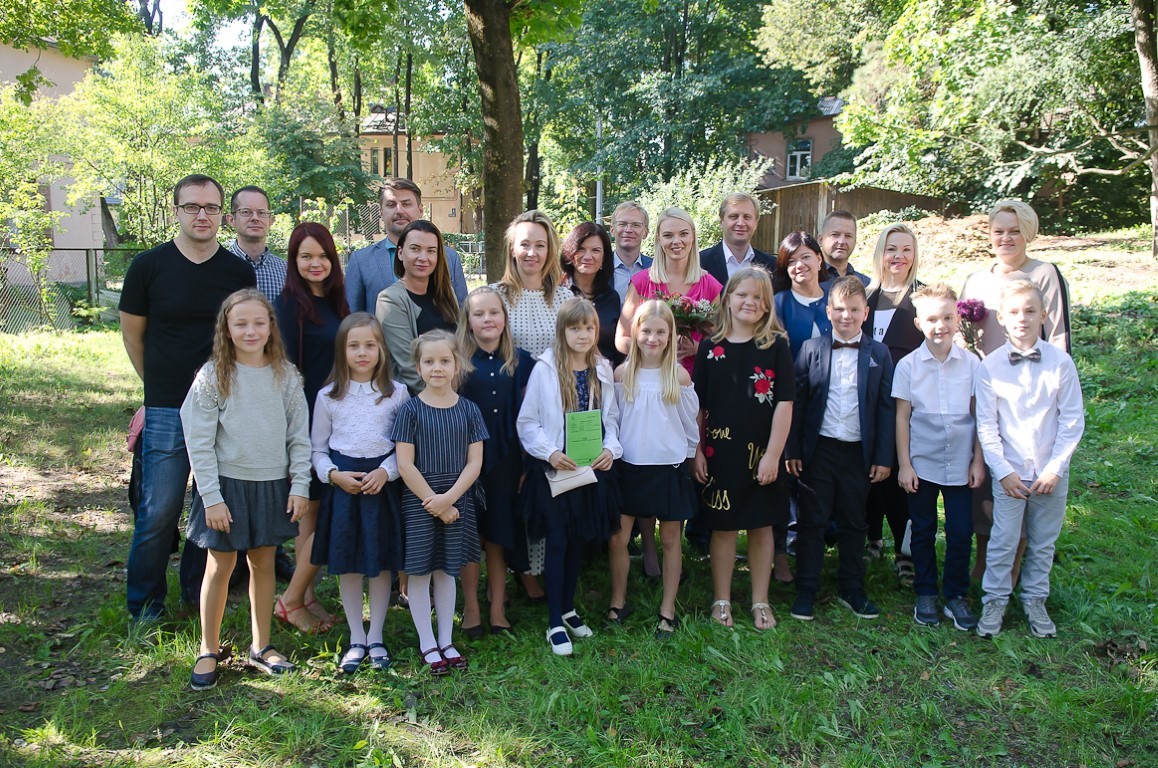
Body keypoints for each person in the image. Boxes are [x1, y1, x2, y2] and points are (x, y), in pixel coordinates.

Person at [119, 173, 256, 621]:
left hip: (224, 407)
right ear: (176, 210)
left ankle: (198, 595)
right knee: (159, 509)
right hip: (167, 407)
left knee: (211, 507)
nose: (202, 215)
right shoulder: (148, 266)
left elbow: (244, 334)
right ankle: (145, 607)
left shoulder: (238, 272)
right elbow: (133, 336)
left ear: (223, 215)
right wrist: (156, 385)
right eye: (192, 206)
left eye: (211, 207)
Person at [182, 289, 310, 690]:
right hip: (226, 486)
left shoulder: (286, 376)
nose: (250, 331)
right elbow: (198, 441)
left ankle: (262, 645)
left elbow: (299, 437)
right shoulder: (213, 376)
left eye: (259, 322)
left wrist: (300, 484)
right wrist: (212, 498)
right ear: (227, 328)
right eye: (241, 324)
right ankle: (208, 647)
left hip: (271, 484)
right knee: (220, 565)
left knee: (263, 563)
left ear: (271, 326)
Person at [959, 200, 1072, 582]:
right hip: (985, 390)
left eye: (1014, 231)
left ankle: (1017, 562)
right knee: (983, 476)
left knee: (1023, 475)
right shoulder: (977, 279)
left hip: (1031, 396)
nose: (1005, 238)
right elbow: (962, 336)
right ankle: (983, 557)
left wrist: (1054, 394)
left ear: (1028, 233)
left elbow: (1058, 335)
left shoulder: (1044, 273)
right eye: (998, 231)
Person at [974, 280, 1084, 639]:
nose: (1022, 318)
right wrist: (1002, 471)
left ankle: (1035, 599)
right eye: (1014, 312)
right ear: (1002, 318)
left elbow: (1072, 420)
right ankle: (995, 600)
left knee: (1042, 541)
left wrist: (1055, 468)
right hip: (1010, 472)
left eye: (1030, 311)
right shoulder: (990, 367)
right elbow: (987, 425)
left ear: (1044, 316)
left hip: (1050, 471)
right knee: (1003, 540)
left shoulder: (1061, 363)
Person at [786, 276, 895, 621]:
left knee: (854, 521)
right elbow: (798, 402)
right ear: (829, 311)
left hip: (858, 452)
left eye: (854, 310)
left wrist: (883, 456)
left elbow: (886, 408)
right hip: (819, 449)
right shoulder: (811, 349)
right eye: (840, 309)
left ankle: (852, 587)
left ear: (865, 314)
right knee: (812, 520)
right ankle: (806, 587)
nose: (847, 316)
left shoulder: (879, 353)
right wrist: (793, 449)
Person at [517, 298, 622, 656]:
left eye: (589, 328)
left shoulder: (602, 369)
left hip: (590, 469)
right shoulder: (545, 369)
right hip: (555, 471)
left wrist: (610, 449)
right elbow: (527, 422)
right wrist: (550, 452)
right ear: (562, 331)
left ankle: (568, 608)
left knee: (578, 540)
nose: (582, 335)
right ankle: (553, 622)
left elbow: (612, 419)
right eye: (575, 328)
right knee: (559, 540)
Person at [692, 268, 794, 631]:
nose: (749, 302)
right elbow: (698, 406)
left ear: (767, 305)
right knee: (723, 527)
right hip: (720, 454)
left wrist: (773, 455)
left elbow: (784, 403)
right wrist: (697, 450)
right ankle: (721, 598)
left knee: (761, 526)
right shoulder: (710, 348)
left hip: (762, 455)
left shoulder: (775, 346)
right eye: (742, 295)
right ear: (728, 299)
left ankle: (760, 599)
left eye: (757, 297)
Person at [310, 313, 409, 672]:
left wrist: (387, 471)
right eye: (354, 346)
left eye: (370, 345)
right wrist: (333, 475)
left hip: (381, 486)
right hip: (344, 488)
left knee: (380, 564)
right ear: (342, 350)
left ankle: (376, 636)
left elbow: (405, 446)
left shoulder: (397, 393)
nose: (362, 352)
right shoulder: (328, 396)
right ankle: (356, 637)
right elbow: (317, 449)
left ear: (382, 349)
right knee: (349, 564)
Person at [393, 330, 487, 674]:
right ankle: (427, 643)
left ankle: (446, 639)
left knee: (448, 570)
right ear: (418, 367)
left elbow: (474, 463)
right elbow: (405, 464)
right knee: (420, 572)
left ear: (456, 365)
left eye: (445, 361)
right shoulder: (410, 411)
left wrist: (449, 500)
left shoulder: (470, 410)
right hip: (420, 501)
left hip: (457, 499)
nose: (437, 368)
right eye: (429, 361)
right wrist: (433, 501)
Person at [273, 222, 349, 634]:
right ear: (294, 260)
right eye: (305, 256)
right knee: (315, 516)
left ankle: (305, 596)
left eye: (322, 256)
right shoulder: (288, 306)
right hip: (306, 423)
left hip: (337, 419)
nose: (315, 263)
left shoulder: (337, 302)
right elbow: (282, 372)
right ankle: (291, 601)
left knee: (315, 518)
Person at [893, 283, 984, 630]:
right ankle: (926, 591)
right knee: (923, 530)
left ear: (957, 318)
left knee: (960, 531)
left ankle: (956, 593)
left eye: (947, 317)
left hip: (961, 463)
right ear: (919, 323)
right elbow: (902, 417)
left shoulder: (972, 364)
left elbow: (979, 415)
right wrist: (905, 464)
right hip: (923, 463)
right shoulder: (908, 366)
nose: (940, 325)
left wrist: (977, 460)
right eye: (931, 319)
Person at [609, 300, 699, 638]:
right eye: (646, 331)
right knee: (618, 537)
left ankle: (667, 609)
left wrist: (689, 456)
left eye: (660, 332)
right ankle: (618, 601)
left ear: (670, 335)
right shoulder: (622, 374)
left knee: (672, 538)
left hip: (668, 467)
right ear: (635, 332)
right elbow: (614, 420)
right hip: (630, 466)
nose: (653, 338)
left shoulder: (679, 376)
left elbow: (689, 424)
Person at [456, 287, 535, 636]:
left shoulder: (521, 361)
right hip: (465, 463)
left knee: (499, 534)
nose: (487, 319)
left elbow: (531, 417)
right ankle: (471, 607)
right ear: (468, 321)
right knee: (471, 535)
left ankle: (498, 606)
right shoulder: (457, 361)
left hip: (506, 462)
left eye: (494, 312)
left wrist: (526, 464)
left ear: (504, 318)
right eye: (479, 314)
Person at [862, 224, 925, 581]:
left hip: (906, 406)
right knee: (870, 474)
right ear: (880, 254)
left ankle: (906, 550)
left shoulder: (922, 297)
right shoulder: (866, 296)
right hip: (867, 403)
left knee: (900, 479)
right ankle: (872, 538)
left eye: (906, 249)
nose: (898, 256)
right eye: (891, 249)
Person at [615, 207, 723, 376]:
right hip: (649, 377)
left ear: (693, 236)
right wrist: (652, 349)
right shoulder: (641, 282)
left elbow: (721, 340)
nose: (676, 241)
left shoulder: (710, 285)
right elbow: (621, 339)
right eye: (668, 235)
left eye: (683, 234)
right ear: (658, 239)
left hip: (696, 378)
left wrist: (699, 348)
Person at [346, 178, 468, 312]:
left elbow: (463, 314)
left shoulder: (450, 258)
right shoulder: (361, 261)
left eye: (406, 204)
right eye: (391, 205)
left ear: (420, 210)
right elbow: (352, 318)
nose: (399, 211)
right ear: (381, 212)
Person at [376, 220, 460, 393]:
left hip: (454, 394)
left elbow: (460, 348)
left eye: (431, 251)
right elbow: (409, 366)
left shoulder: (447, 293)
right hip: (417, 399)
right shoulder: (389, 300)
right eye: (415, 249)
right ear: (400, 253)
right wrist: (442, 400)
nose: (423, 258)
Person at [562, 221, 624, 366]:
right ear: (570, 252)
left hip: (604, 375)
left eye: (595, 250)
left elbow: (616, 349)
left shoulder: (611, 297)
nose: (588, 256)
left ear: (604, 257)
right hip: (564, 373)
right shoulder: (558, 293)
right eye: (581, 249)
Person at [772, 231, 832, 358]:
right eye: (791, 261)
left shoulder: (835, 299)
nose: (799, 265)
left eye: (806, 257)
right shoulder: (778, 303)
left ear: (819, 259)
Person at [698, 192, 775, 287]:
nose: (741, 223)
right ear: (721, 222)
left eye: (747, 217)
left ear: (756, 223)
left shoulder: (772, 266)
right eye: (734, 216)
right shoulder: (700, 263)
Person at [226, 185, 287, 303]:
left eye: (261, 212)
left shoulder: (287, 271)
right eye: (246, 212)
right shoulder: (218, 268)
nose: (255, 218)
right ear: (231, 219)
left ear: (271, 220)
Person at [610, 201, 652, 302]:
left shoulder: (656, 268)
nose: (628, 230)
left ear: (645, 232)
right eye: (622, 224)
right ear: (612, 230)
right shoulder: (599, 268)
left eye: (636, 225)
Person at [818, 210, 869, 285]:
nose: (842, 241)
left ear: (855, 241)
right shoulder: (809, 280)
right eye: (835, 235)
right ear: (820, 240)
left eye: (848, 236)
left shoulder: (866, 285)